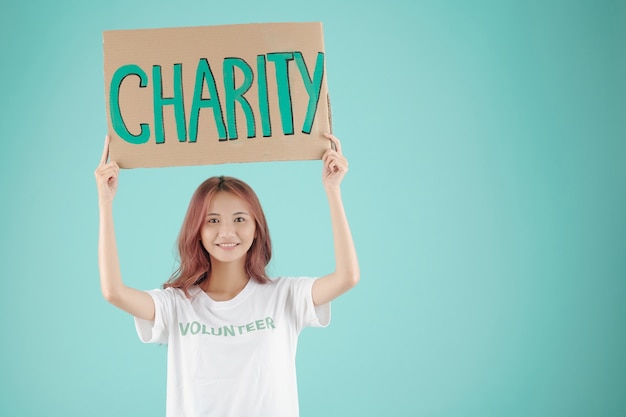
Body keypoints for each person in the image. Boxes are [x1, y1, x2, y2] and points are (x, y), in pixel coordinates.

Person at [94, 132, 359, 417]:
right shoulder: (176, 304)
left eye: (240, 219)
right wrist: (105, 203)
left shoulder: (285, 295)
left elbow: (347, 277)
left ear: (257, 229)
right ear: (197, 231)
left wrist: (333, 190)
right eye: (213, 221)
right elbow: (113, 292)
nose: (227, 232)